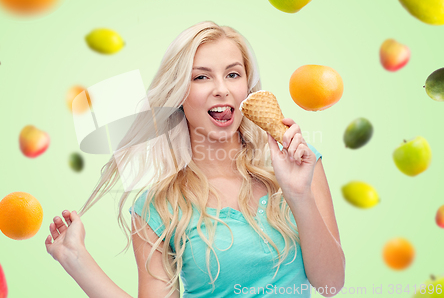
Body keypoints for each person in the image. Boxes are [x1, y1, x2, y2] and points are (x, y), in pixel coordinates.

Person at [45, 21, 345, 298]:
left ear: (247, 88)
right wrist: (76, 260)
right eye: (201, 77)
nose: (221, 89)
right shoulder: (158, 206)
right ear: (178, 94)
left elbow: (331, 283)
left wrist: (298, 194)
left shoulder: (301, 164)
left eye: (233, 74)